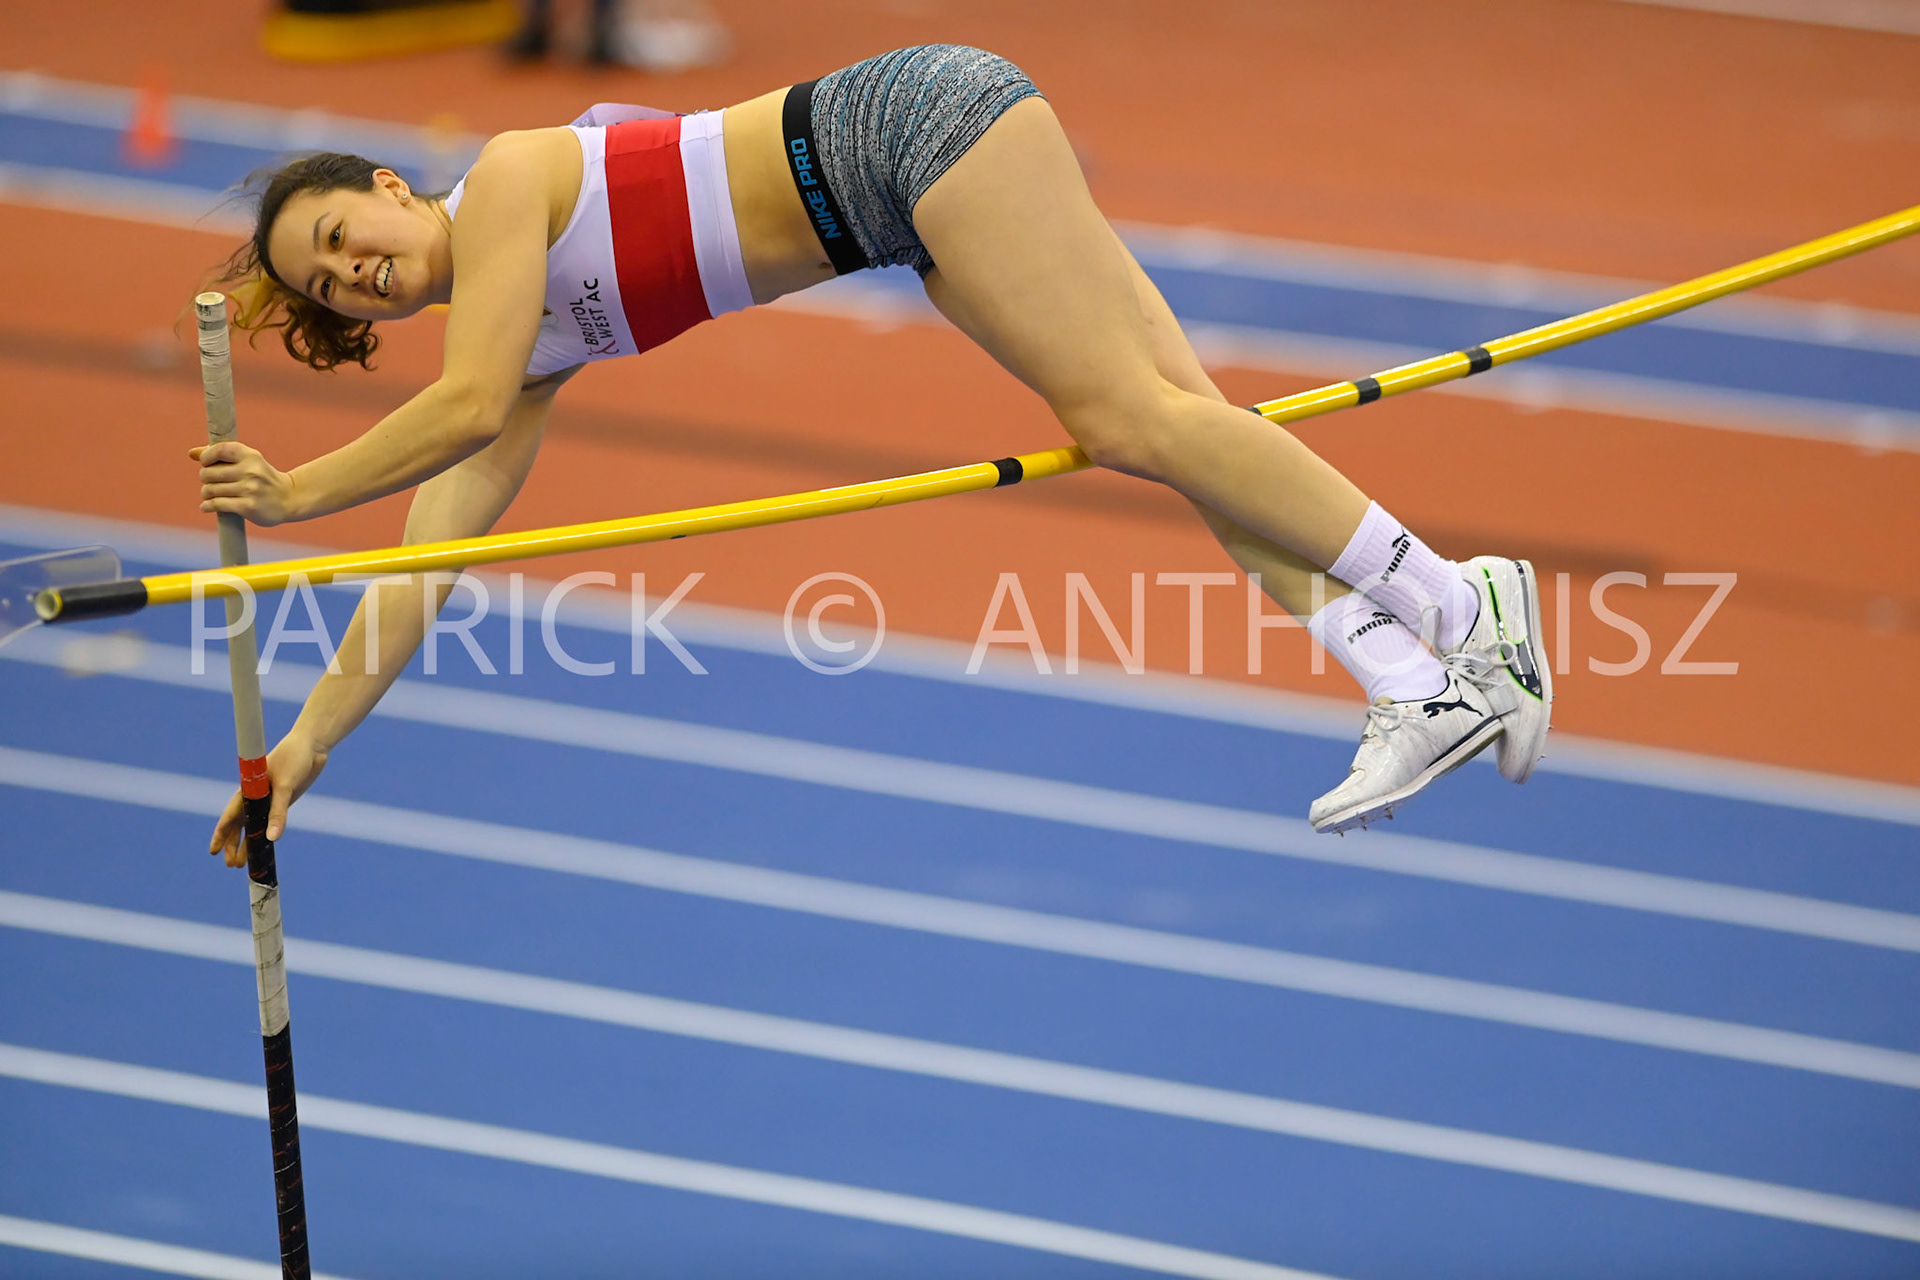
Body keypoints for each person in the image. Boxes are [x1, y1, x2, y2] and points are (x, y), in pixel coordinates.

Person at [198, 45, 1551, 863]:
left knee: (1131, 422)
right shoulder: (522, 337)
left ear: (383, 186)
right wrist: (306, 750)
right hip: (893, 211)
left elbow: (468, 408)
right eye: (331, 288)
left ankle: (1458, 601)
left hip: (907, 133)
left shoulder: (500, 181)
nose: (355, 273)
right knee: (1182, 432)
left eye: (337, 237)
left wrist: (299, 490)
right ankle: (1411, 671)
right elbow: (432, 553)